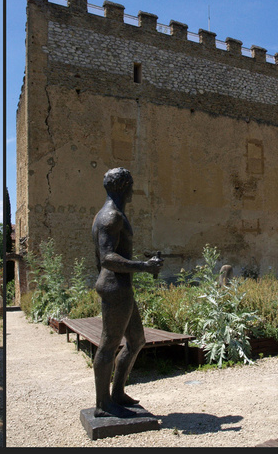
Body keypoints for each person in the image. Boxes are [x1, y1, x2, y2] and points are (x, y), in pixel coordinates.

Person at [90, 168, 163, 417]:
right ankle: (102, 404)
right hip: (115, 287)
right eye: (131, 184)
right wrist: (144, 267)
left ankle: (117, 393)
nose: (133, 189)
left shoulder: (112, 214)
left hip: (120, 286)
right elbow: (107, 258)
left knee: (137, 340)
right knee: (108, 345)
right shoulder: (111, 216)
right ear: (123, 186)